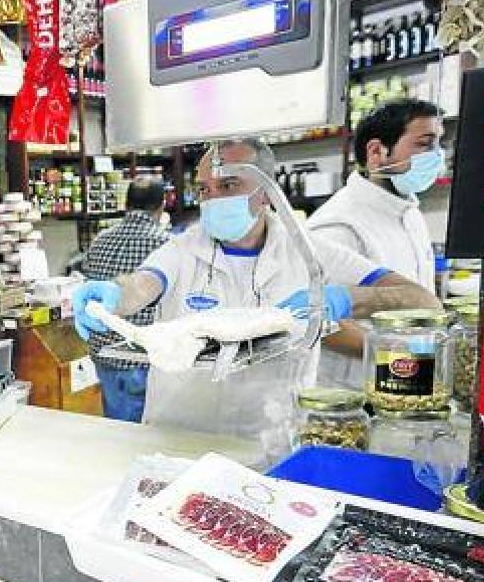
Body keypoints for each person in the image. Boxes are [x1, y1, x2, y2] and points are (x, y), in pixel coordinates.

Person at [72, 139, 441, 452]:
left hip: (269, 443)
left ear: (265, 192)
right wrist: (112, 296)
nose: (212, 200)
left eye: (228, 185)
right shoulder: (181, 250)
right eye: (204, 189)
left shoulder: (311, 251)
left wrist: (343, 299)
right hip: (178, 441)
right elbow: (143, 285)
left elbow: (423, 300)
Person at [308, 99, 444, 388]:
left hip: (408, 381)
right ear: (376, 152)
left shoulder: (409, 212)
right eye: (424, 144)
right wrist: (397, 355)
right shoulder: (338, 223)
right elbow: (319, 323)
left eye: (438, 144)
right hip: (355, 392)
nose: (436, 156)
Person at [80, 179, 172, 422]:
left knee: (116, 426)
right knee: (146, 432)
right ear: (161, 207)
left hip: (104, 353)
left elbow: (89, 283)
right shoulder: (166, 245)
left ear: (126, 203)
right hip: (143, 357)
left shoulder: (100, 240)